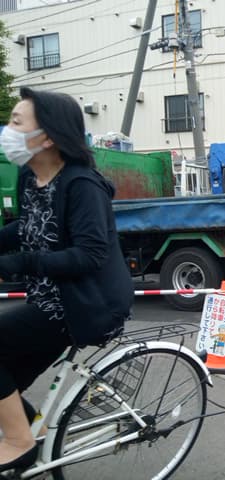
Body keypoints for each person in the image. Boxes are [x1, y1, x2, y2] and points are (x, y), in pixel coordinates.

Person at [0, 87, 134, 472]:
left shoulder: (82, 185)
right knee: (6, 386)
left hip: (80, 305)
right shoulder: (30, 177)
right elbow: (28, 226)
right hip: (47, 299)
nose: (7, 130)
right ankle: (35, 438)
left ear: (47, 137)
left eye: (16, 122)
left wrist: (17, 264)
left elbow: (90, 255)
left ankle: (20, 443)